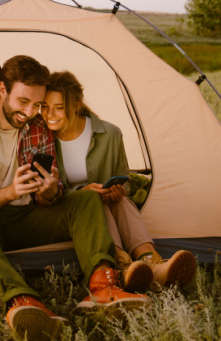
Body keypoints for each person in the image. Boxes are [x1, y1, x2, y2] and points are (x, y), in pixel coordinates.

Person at [0, 56, 151, 340]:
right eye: (23, 102)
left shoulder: (38, 124)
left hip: (31, 218)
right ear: (2, 90)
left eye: (37, 104)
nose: (30, 112)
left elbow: (53, 194)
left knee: (86, 199)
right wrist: (11, 191)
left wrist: (48, 191)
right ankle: (23, 302)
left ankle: (103, 288)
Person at [41, 71, 197, 292]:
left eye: (58, 107)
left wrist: (119, 190)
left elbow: (125, 180)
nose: (50, 114)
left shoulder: (110, 134)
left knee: (118, 202)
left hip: (110, 204)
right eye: (45, 107)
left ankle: (151, 262)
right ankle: (123, 266)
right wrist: (82, 192)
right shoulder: (42, 140)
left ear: (76, 104)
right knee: (92, 202)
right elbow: (46, 192)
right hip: (71, 212)